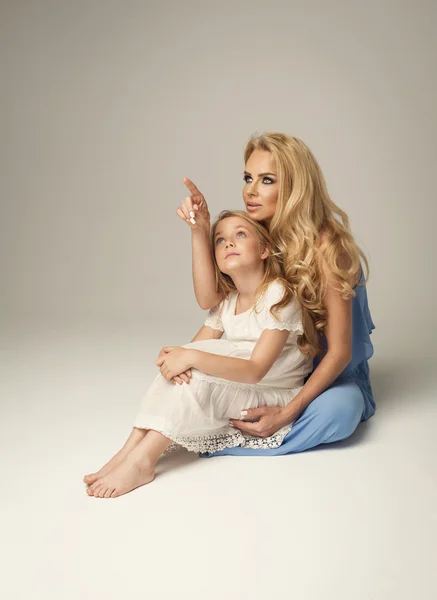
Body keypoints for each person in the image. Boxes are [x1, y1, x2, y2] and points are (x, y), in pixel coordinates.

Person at [84, 211, 313, 498]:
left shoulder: (278, 295)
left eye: (240, 235)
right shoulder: (227, 302)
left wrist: (189, 358)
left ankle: (144, 461)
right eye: (220, 240)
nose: (229, 243)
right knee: (186, 370)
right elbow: (194, 350)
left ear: (265, 249)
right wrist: (176, 359)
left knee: (195, 370)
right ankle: (128, 451)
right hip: (244, 383)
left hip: (271, 391)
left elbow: (255, 369)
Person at [175, 132, 375, 458]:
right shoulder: (257, 232)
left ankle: (231, 440)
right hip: (275, 370)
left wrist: (287, 413)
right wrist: (201, 229)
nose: (251, 190)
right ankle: (232, 424)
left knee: (341, 410)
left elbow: (339, 353)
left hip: (327, 375)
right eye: (248, 178)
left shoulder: (328, 246)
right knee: (207, 383)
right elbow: (211, 301)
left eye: (267, 180)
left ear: (296, 187)